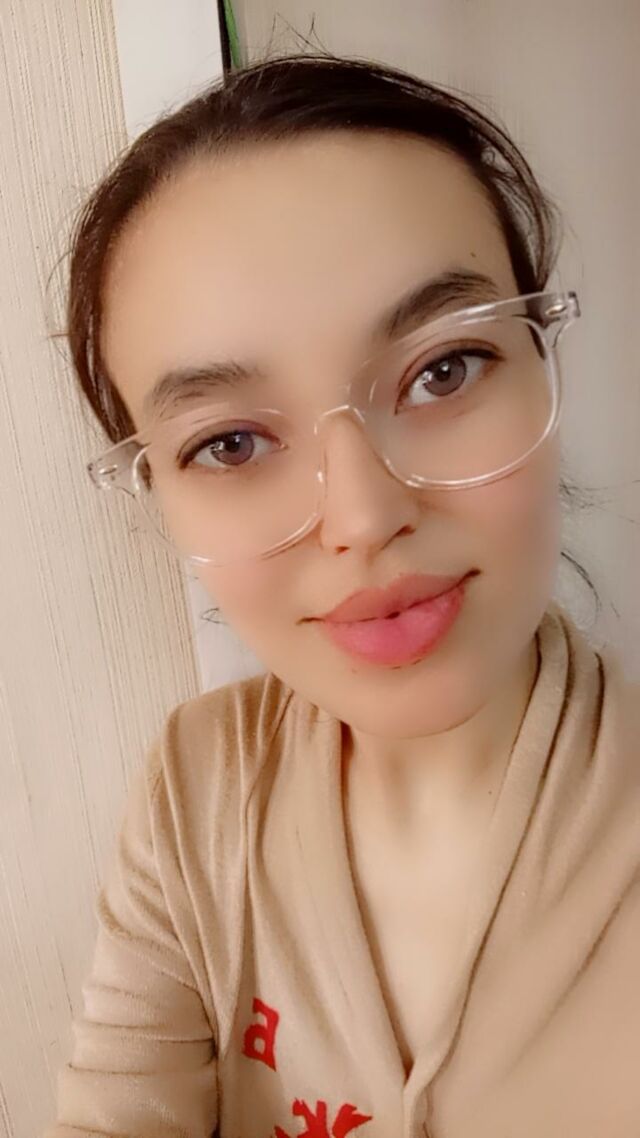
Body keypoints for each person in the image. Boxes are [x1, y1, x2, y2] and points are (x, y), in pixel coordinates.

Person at [45, 53, 639, 1138]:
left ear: (541, 356)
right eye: (229, 442)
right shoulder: (197, 787)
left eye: (444, 370)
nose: (362, 517)